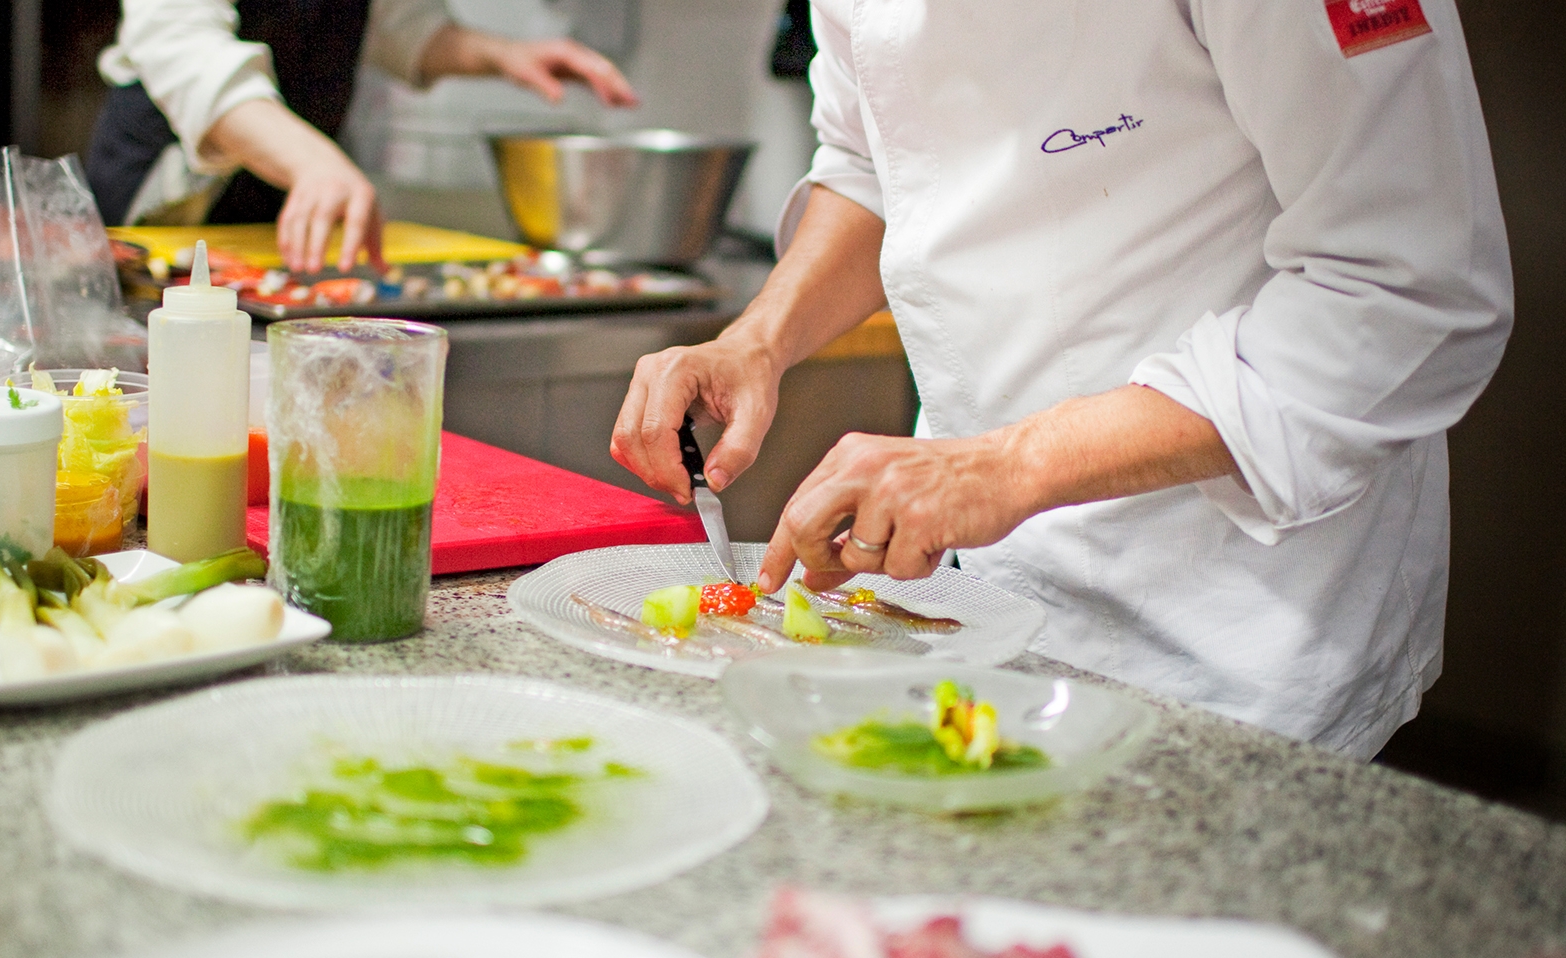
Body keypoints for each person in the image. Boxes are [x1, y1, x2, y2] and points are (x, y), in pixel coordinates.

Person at [610, 0, 1512, 759]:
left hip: (1236, 612)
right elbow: (875, 168)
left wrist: (1012, 466)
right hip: (975, 591)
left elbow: (1407, 289)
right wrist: (759, 340)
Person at [86, 0, 638, 272]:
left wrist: (505, 55)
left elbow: (396, 25)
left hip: (286, 202)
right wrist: (314, 162)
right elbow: (180, 45)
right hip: (165, 200)